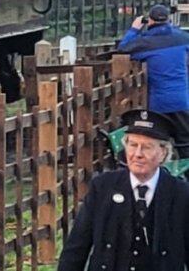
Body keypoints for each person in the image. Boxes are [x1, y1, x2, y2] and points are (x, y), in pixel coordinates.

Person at [58, 109, 189, 271]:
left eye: (147, 147)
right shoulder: (102, 188)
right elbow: (76, 248)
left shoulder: (181, 194)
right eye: (133, 145)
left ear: (163, 153)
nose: (138, 154)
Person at [117, 4, 189, 159]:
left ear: (149, 21)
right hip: (182, 101)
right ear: (169, 20)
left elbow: (122, 50)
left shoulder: (146, 43)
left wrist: (135, 29)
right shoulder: (182, 38)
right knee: (185, 143)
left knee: (158, 141)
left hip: (158, 104)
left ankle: (160, 175)